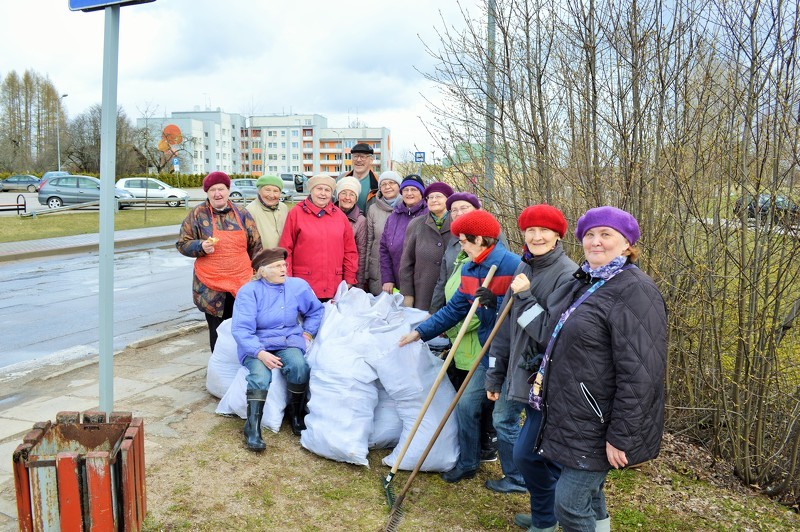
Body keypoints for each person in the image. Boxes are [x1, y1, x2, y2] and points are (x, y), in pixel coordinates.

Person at [525, 206, 667, 531]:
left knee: (570, 505)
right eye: (589, 234)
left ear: (627, 244)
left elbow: (641, 374)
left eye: (606, 234)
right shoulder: (587, 280)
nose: (595, 241)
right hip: (574, 412)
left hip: (599, 420)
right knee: (590, 494)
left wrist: (622, 436)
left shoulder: (636, 291)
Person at [398, 210, 519, 483]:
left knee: (503, 419)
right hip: (489, 352)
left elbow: (528, 311)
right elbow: (455, 310)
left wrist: (495, 303)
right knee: (465, 405)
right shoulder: (470, 268)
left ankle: (516, 477)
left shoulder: (513, 266)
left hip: (514, 354)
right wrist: (420, 333)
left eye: (464, 241)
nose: (461, 247)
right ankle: (468, 462)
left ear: (481, 239)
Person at [482, 205, 578, 508]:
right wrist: (495, 374)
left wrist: (524, 296)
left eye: (543, 231)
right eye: (530, 230)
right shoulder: (525, 266)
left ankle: (544, 505)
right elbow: (506, 328)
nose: (536, 236)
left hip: (541, 375)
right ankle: (520, 482)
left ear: (557, 236)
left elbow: (549, 332)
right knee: (502, 419)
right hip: (514, 369)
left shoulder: (568, 274)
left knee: (536, 445)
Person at [231, 247, 324, 450]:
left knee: (300, 367)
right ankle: (252, 428)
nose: (284, 269)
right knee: (260, 375)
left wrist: (307, 333)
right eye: (277, 266)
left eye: (284, 264)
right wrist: (260, 353)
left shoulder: (297, 286)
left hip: (287, 340)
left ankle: (296, 415)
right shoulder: (249, 291)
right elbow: (241, 330)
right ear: (262, 271)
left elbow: (316, 311)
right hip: (258, 343)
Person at [177, 171, 262, 351]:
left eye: (221, 189)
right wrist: (200, 246)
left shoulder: (242, 213)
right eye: (213, 190)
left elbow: (255, 245)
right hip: (211, 286)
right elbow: (182, 243)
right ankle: (219, 369)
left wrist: (258, 275)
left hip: (241, 283)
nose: (218, 193)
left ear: (228, 190)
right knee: (217, 331)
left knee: (241, 328)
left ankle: (241, 366)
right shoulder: (197, 214)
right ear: (207, 192)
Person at [278, 174, 358, 301]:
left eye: (327, 190)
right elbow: (286, 250)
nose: (323, 194)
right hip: (303, 285)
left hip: (334, 285)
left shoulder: (340, 216)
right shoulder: (296, 214)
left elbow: (350, 251)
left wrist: (349, 278)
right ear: (311, 191)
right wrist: (287, 279)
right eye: (319, 189)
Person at [398, 181, 454, 310]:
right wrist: (407, 294)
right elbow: (407, 262)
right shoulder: (416, 224)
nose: (434, 200)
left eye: (438, 196)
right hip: (422, 292)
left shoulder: (457, 223)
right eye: (430, 197)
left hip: (450, 293)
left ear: (448, 200)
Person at [380, 174, 428, 295]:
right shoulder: (393, 216)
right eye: (406, 190)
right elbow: (384, 249)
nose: (409, 193)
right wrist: (387, 279)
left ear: (421, 193)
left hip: (423, 282)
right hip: (397, 280)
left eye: (414, 189)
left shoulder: (429, 215)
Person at [365, 170, 403, 296]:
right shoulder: (373, 209)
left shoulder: (407, 207)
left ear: (399, 186)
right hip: (378, 268)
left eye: (392, 183)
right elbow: (368, 241)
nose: (387, 187)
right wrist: (366, 271)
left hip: (401, 268)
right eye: (383, 184)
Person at [335, 176, 367, 289]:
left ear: (356, 198)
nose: (347, 198)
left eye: (352, 194)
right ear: (338, 195)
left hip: (349, 275)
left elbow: (361, 253)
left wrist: (358, 284)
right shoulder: (327, 215)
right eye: (343, 193)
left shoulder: (360, 221)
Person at [246, 174, 288, 249]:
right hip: (262, 258)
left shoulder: (284, 208)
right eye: (267, 190)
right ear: (259, 191)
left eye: (275, 191)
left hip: (283, 257)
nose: (271, 195)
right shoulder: (249, 211)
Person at [341, 142, 378, 212]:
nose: (358, 160)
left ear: (371, 160)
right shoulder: (341, 180)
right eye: (355, 156)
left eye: (363, 157)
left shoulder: (378, 183)